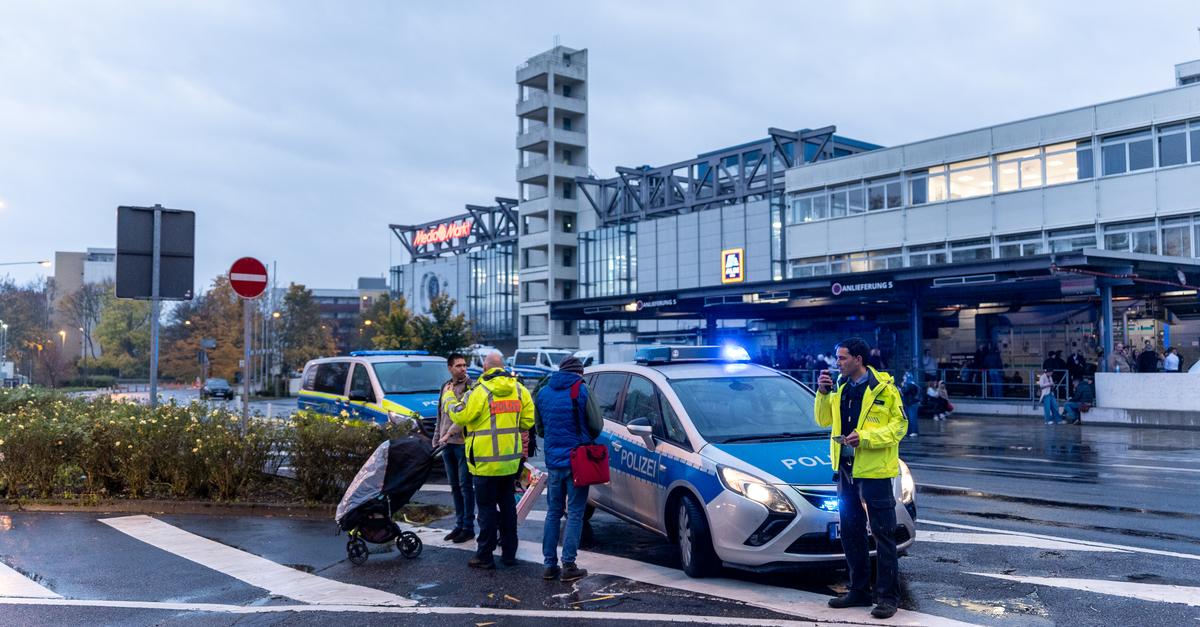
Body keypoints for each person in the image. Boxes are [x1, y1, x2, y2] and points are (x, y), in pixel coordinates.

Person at [815, 338, 907, 620]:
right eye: (837, 358)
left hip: (875, 473)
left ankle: (888, 597)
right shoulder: (840, 387)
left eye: (842, 358)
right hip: (846, 470)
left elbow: (900, 427)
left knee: (883, 535)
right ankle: (858, 591)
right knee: (851, 533)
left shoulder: (885, 389)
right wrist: (822, 393)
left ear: (858, 359)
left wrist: (865, 438)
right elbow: (823, 420)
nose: (837, 363)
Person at [449, 351, 535, 570]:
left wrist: (450, 399)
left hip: (485, 463)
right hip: (510, 462)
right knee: (508, 508)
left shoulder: (480, 391)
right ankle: (509, 554)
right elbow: (527, 422)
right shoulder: (520, 390)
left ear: (485, 368)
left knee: (486, 510)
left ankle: (485, 556)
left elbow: (461, 416)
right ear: (502, 367)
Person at [534, 356, 602, 582]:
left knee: (553, 512)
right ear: (579, 372)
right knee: (574, 513)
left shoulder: (543, 392)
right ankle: (569, 565)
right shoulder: (581, 390)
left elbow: (540, 429)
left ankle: (549, 564)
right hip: (577, 461)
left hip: (554, 462)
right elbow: (596, 425)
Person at [433, 352, 475, 544]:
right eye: (458, 365)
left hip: (463, 443)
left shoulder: (471, 386)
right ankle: (459, 525)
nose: (463, 368)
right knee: (454, 487)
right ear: (450, 368)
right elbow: (440, 414)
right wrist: (436, 438)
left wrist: (447, 434)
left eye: (464, 365)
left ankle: (468, 527)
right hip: (446, 444)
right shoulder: (445, 386)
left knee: (466, 486)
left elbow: (464, 415)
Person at [900, 371, 921, 438]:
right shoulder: (911, 384)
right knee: (908, 418)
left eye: (904, 376)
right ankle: (909, 432)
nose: (903, 377)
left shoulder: (910, 384)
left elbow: (904, 392)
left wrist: (901, 387)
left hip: (912, 404)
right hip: (909, 404)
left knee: (912, 418)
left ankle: (914, 432)